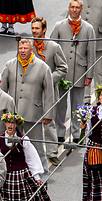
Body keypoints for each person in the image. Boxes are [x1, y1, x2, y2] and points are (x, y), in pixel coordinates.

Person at [0, 38, 54, 182]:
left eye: (25, 48)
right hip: (13, 116)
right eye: (20, 48)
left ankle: (43, 177)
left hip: (33, 114)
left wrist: (48, 114)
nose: (22, 51)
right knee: (12, 146)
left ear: (31, 50)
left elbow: (49, 92)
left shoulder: (43, 67)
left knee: (36, 147)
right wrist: (1, 111)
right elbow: (2, 91)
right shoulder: (10, 65)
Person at [50, 0, 96, 144]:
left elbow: (91, 53)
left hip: (79, 73)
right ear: (68, 8)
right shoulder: (59, 26)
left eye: (77, 7)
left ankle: (76, 134)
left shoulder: (88, 28)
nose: (75, 10)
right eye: (72, 7)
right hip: (62, 74)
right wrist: (52, 73)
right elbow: (51, 49)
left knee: (77, 106)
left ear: (81, 9)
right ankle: (60, 133)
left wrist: (89, 75)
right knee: (60, 105)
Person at [0, 112, 56, 201]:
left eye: (13, 123)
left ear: (17, 124)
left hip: (21, 177)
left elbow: (31, 158)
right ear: (5, 123)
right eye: (8, 122)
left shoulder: (24, 139)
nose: (10, 125)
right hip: (6, 177)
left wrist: (37, 177)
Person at [31, 16, 68, 166]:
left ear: (44, 30)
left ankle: (52, 153)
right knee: (31, 122)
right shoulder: (26, 46)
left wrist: (48, 80)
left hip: (48, 93)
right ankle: (33, 154)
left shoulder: (53, 47)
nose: (34, 31)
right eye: (32, 28)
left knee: (48, 123)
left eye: (37, 28)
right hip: (32, 93)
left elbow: (63, 68)